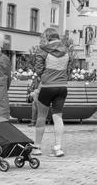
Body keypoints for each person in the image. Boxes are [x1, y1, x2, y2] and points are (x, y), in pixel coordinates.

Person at [32, 27, 71, 158]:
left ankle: (37, 147)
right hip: (62, 87)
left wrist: (45, 76)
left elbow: (38, 70)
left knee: (41, 116)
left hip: (48, 86)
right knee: (58, 116)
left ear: (47, 37)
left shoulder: (43, 50)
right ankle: (58, 148)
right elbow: (68, 69)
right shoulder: (66, 50)